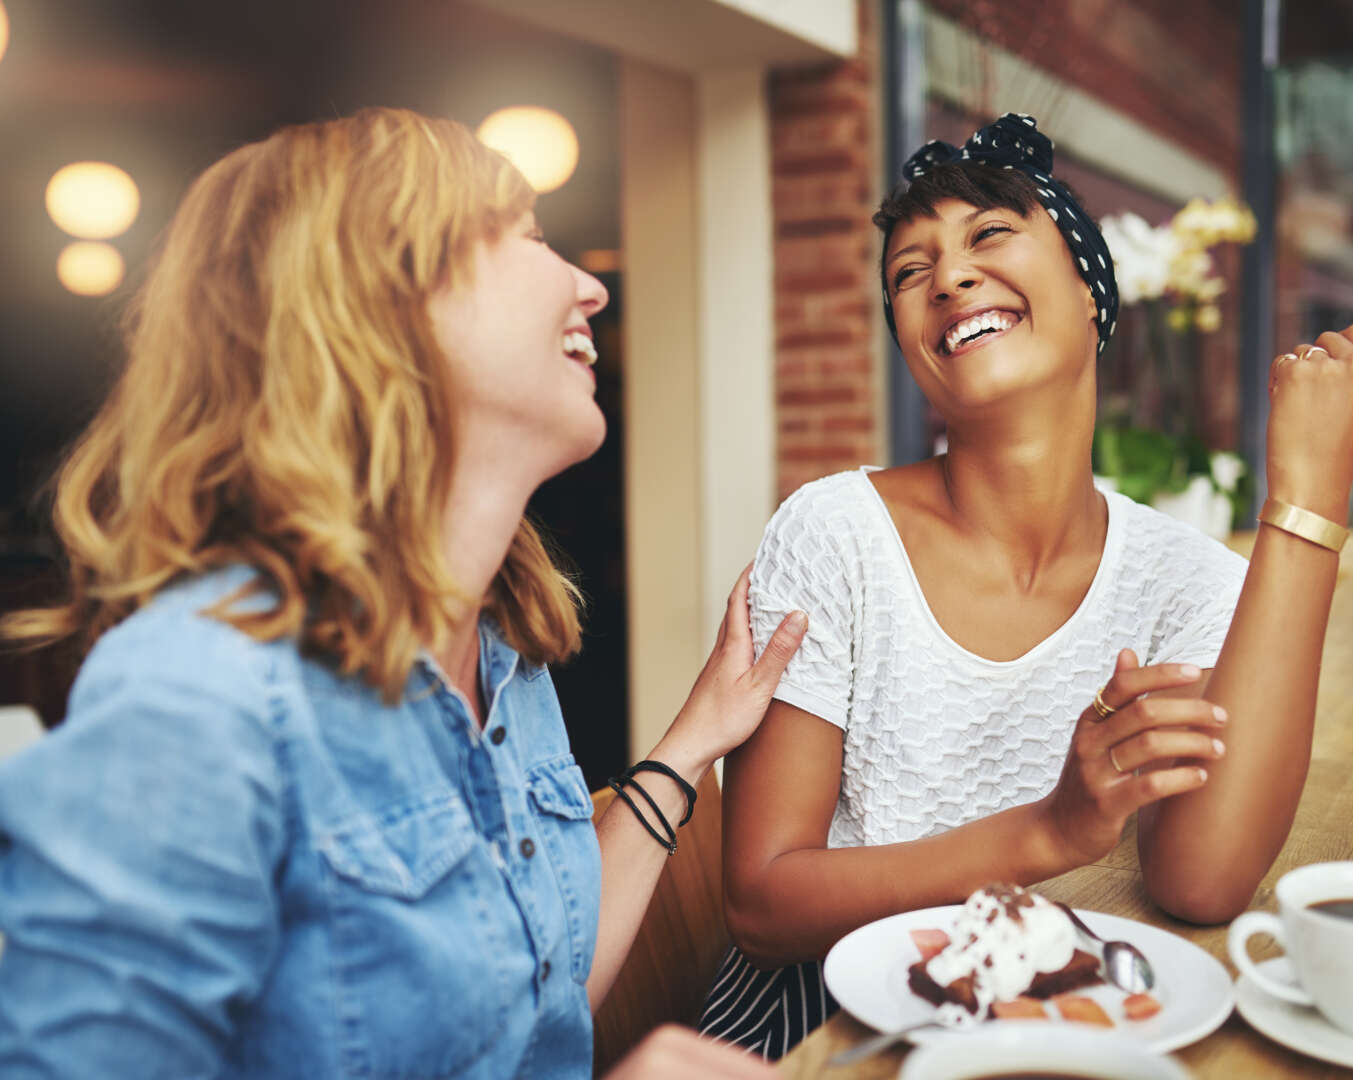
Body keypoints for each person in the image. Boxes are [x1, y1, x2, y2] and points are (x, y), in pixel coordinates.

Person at [0, 107, 805, 1079]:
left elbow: (536, 1003)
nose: (592, 286)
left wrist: (695, 738)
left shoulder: (501, 657)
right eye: (534, 238)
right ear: (386, 297)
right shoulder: (196, 701)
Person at [699, 114, 1353, 1059]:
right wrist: (1054, 830)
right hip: (815, 1032)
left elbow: (1202, 883)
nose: (947, 277)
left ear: (1091, 291)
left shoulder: (1186, 579)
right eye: (910, 271)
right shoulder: (832, 533)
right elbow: (760, 902)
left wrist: (1308, 497)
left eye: (989, 236)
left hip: (1051, 1025)